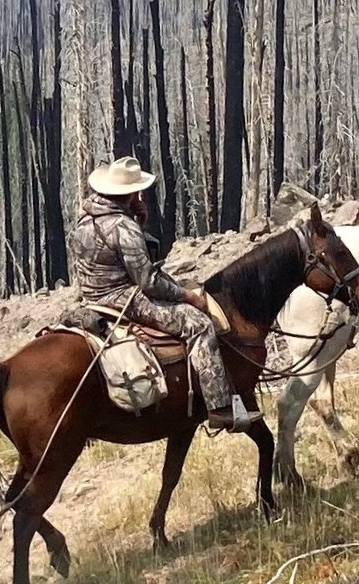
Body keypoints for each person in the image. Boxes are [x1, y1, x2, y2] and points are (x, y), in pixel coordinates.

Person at [71, 157, 253, 428]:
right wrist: (187, 296)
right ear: (130, 193)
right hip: (123, 299)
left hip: (91, 299)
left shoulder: (84, 221)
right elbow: (148, 281)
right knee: (199, 324)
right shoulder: (123, 226)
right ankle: (220, 407)